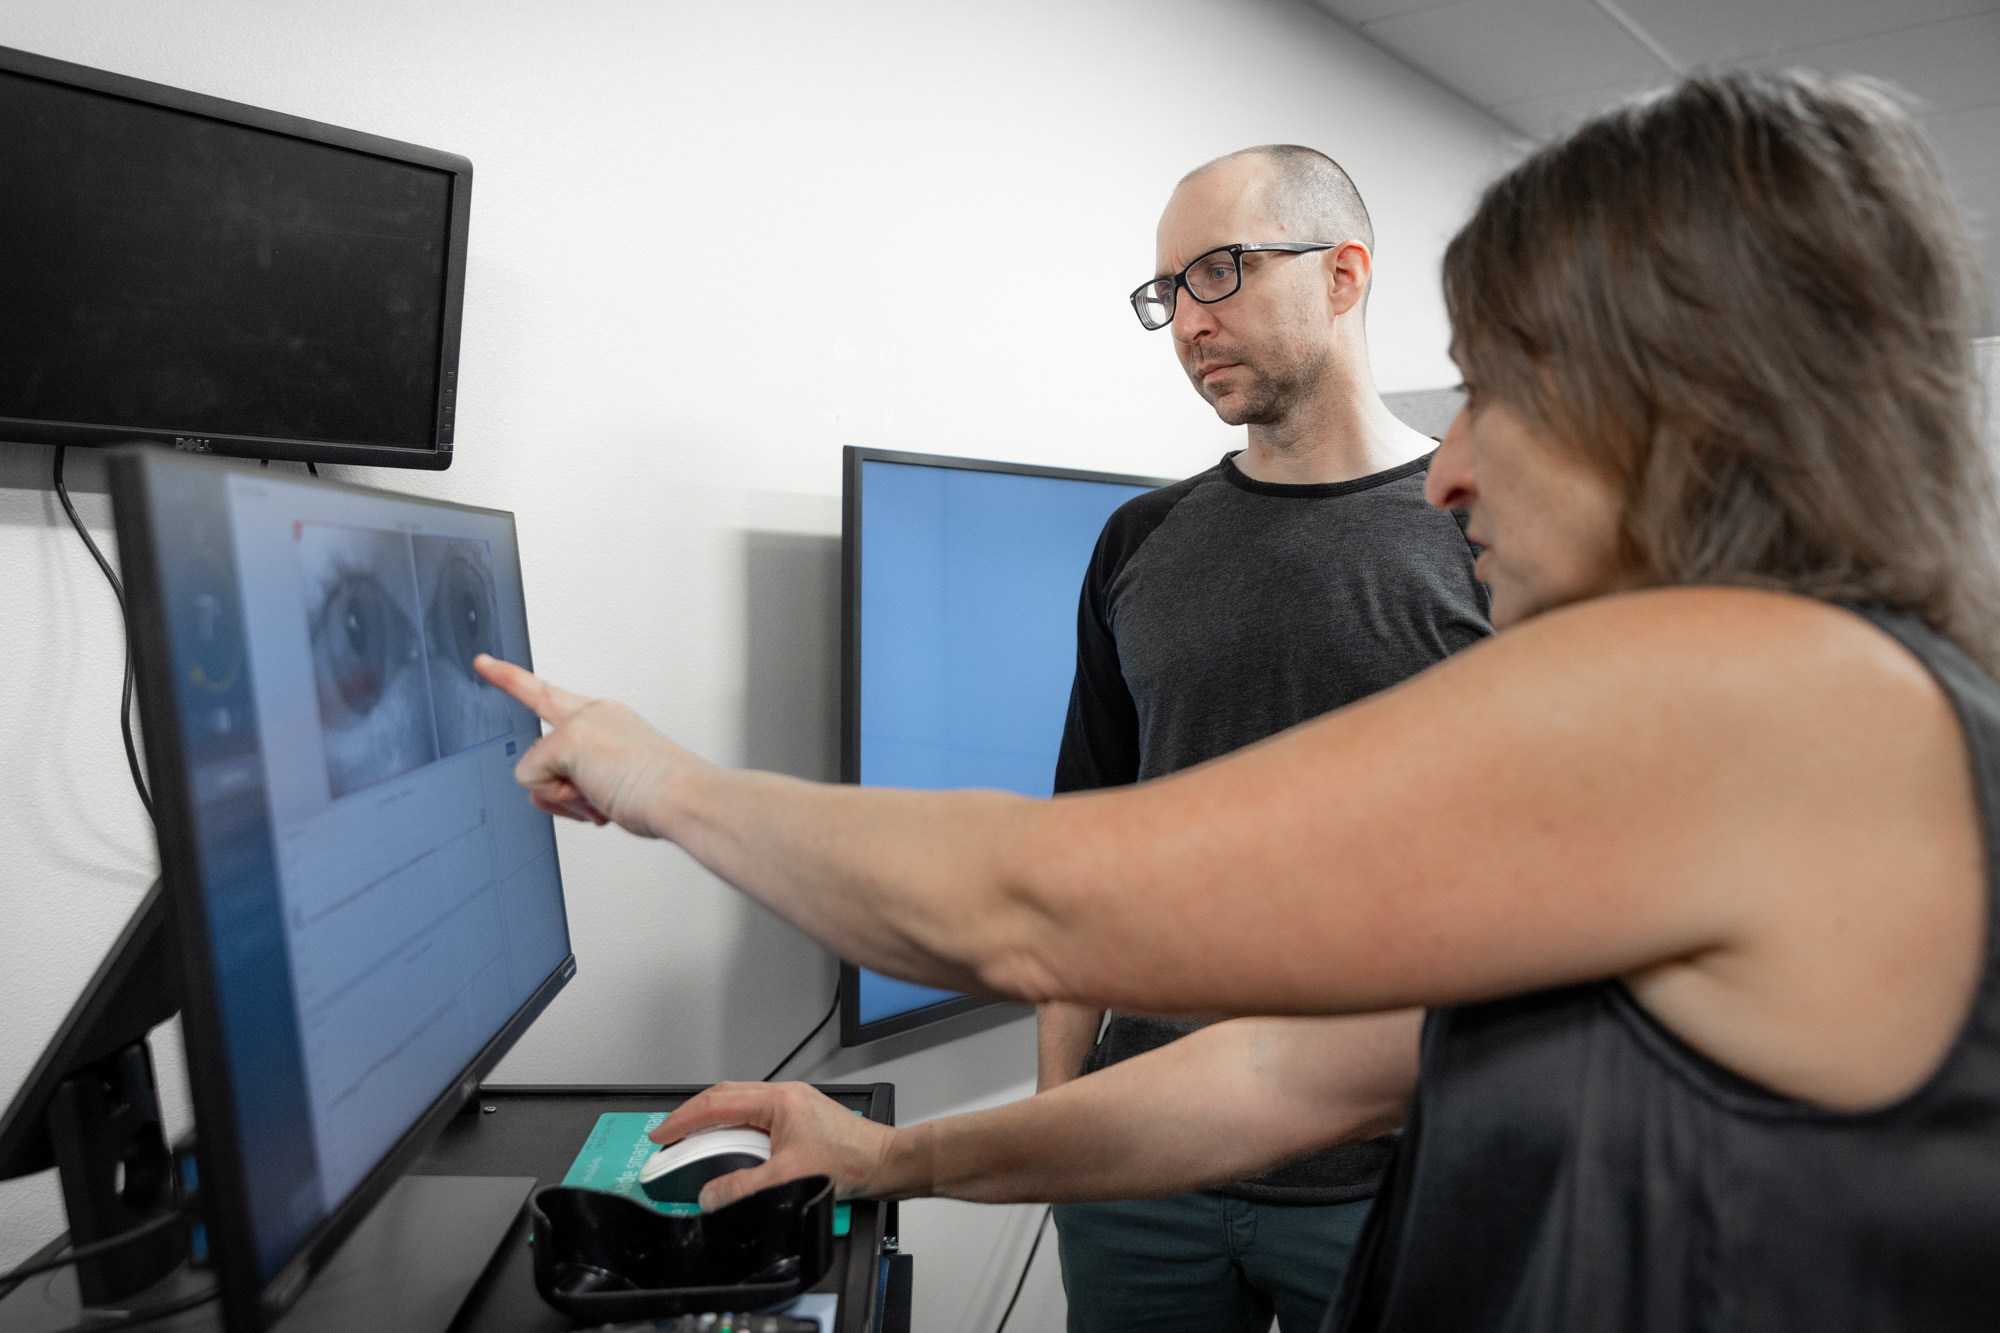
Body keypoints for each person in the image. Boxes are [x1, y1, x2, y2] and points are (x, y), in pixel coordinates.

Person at [479, 68, 2000, 1327]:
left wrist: (658, 776)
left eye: (1502, 387)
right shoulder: (1795, 723)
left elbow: (1037, 902)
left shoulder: (1782, 710)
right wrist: (903, 1155)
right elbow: (1279, 1070)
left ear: (1691, 400)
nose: (1454, 463)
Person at [1031, 143, 1485, 1332]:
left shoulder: (1486, 532)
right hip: (1144, 1160)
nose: (1187, 320)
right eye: (1167, 291)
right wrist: (1056, 1121)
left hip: (1392, 1173)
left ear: (1341, 276)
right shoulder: (1140, 540)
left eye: (1220, 272)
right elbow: (1084, 845)